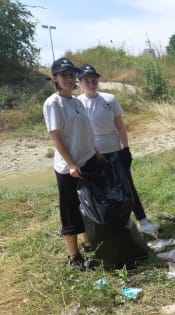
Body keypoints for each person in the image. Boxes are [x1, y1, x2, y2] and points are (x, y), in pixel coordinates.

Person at [77, 64, 159, 235]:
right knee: (105, 190)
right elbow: (81, 132)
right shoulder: (78, 103)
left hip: (114, 149)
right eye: (87, 81)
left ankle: (142, 219)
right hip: (93, 153)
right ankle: (115, 224)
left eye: (94, 80)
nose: (91, 84)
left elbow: (120, 126)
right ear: (81, 83)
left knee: (127, 185)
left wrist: (125, 148)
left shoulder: (109, 99)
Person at [43, 57, 100, 269]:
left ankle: (88, 243)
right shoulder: (53, 103)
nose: (69, 78)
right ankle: (74, 256)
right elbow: (56, 137)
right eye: (64, 75)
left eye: (71, 75)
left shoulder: (77, 102)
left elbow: (85, 131)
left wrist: (96, 151)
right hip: (69, 168)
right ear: (55, 79)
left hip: (87, 161)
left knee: (87, 206)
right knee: (71, 211)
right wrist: (71, 165)